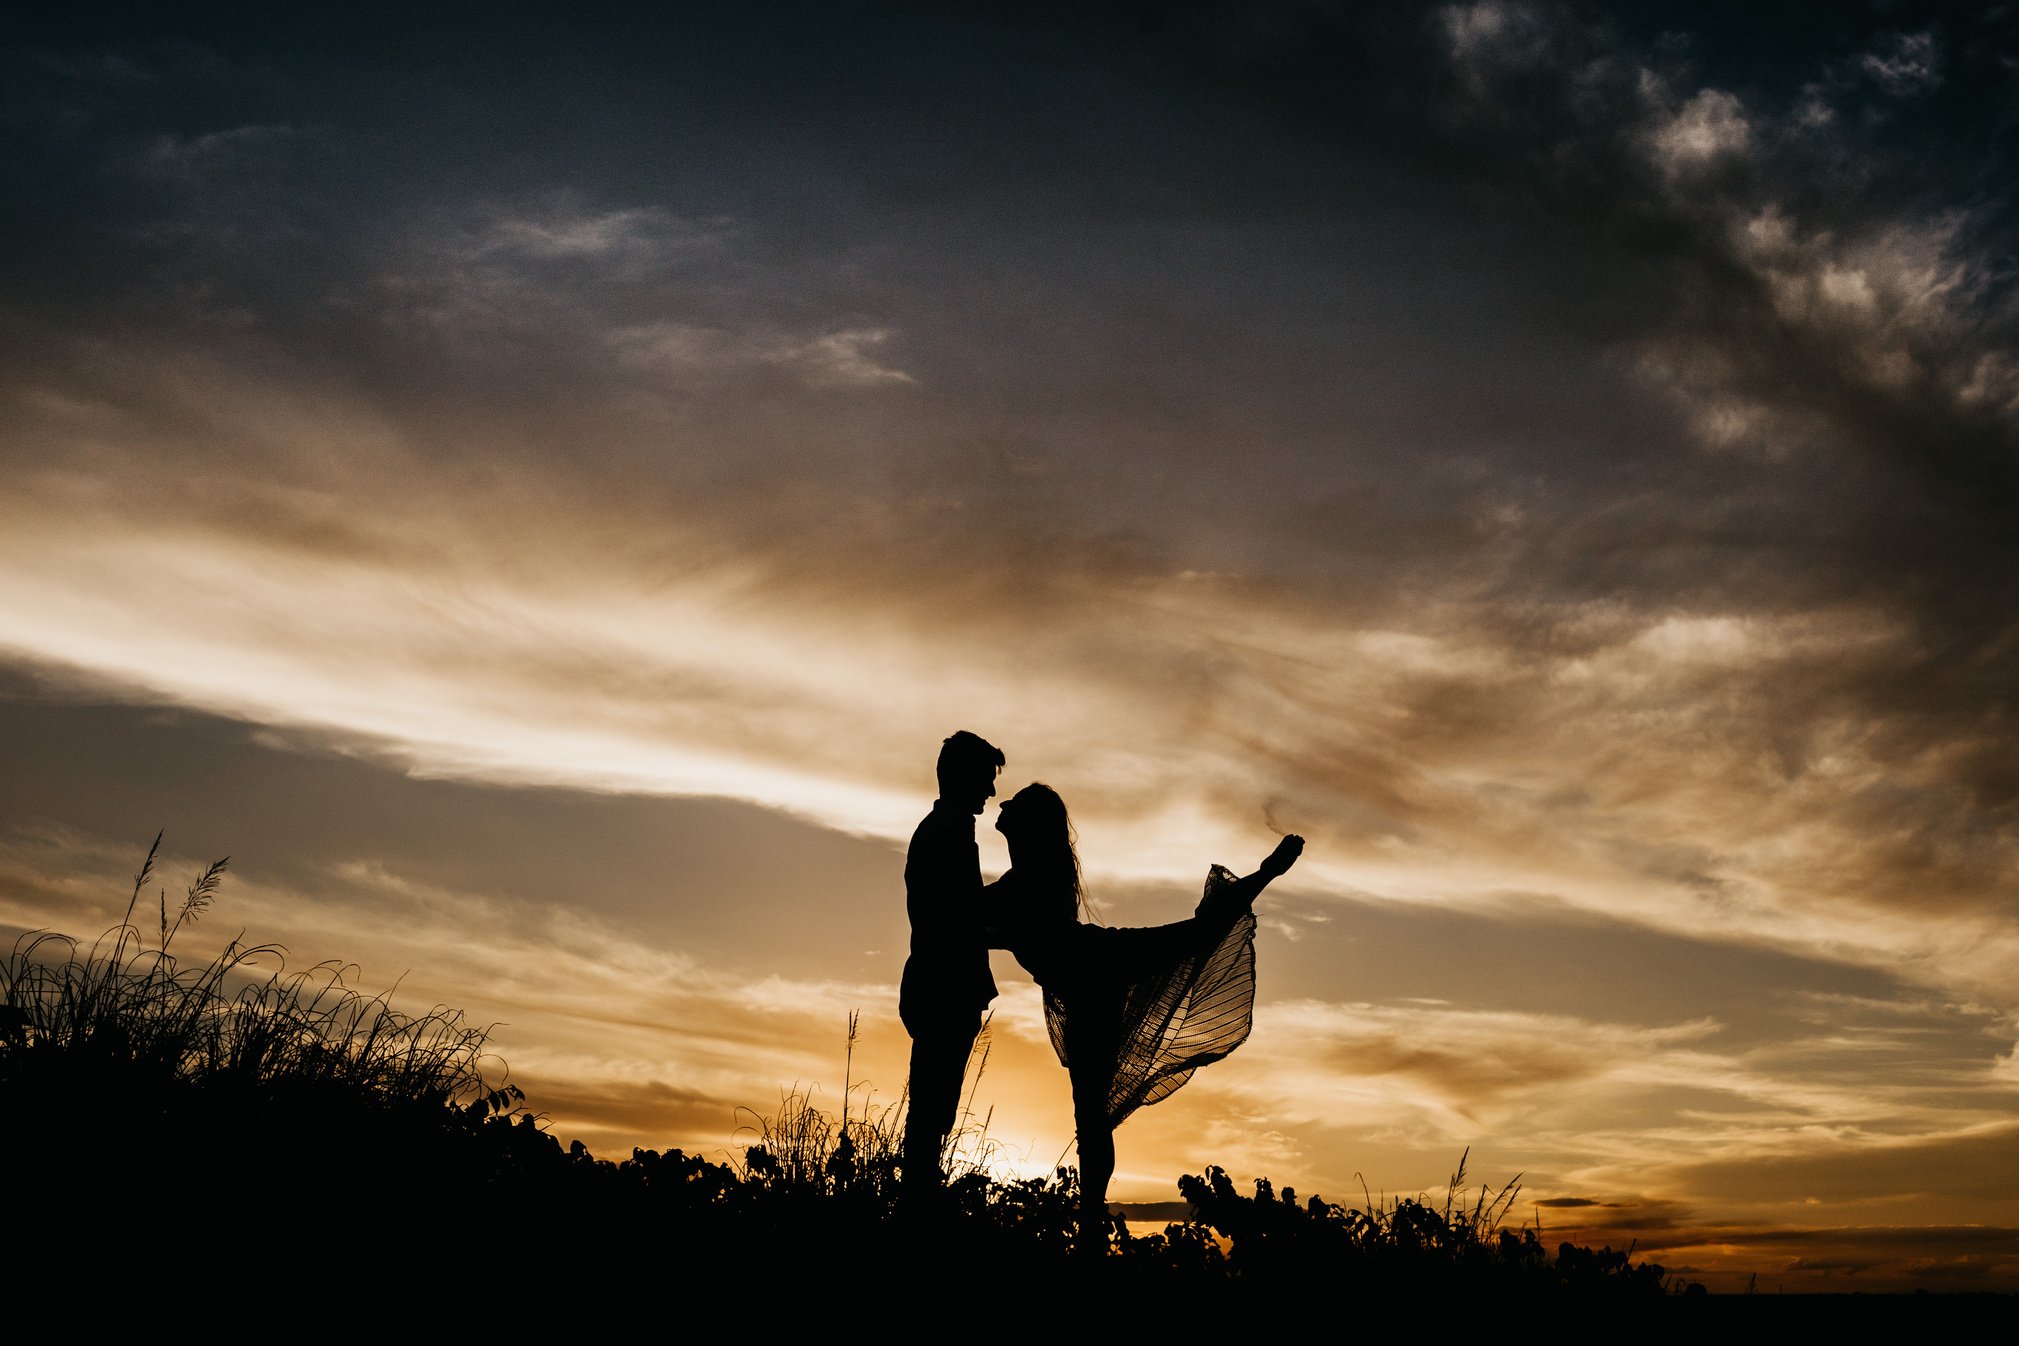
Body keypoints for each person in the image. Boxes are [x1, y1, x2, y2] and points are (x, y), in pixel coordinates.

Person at [987, 783, 1302, 1249]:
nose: (1001, 805)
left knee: (1195, 936)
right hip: (1093, 977)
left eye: (1013, 807)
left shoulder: (1025, 885)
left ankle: (1092, 1221)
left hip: (1097, 968)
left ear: (1027, 827)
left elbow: (976, 921)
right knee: (1091, 1119)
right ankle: (1092, 1219)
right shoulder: (1030, 880)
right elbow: (986, 925)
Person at [899, 730, 1006, 1194]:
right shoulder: (946, 834)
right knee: (930, 1113)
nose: (992, 790)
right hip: (943, 989)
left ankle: (920, 1197)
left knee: (934, 1110)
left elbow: (962, 915)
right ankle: (917, 1205)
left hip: (941, 987)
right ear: (962, 777)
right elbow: (956, 920)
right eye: (986, 778)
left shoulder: (950, 830)